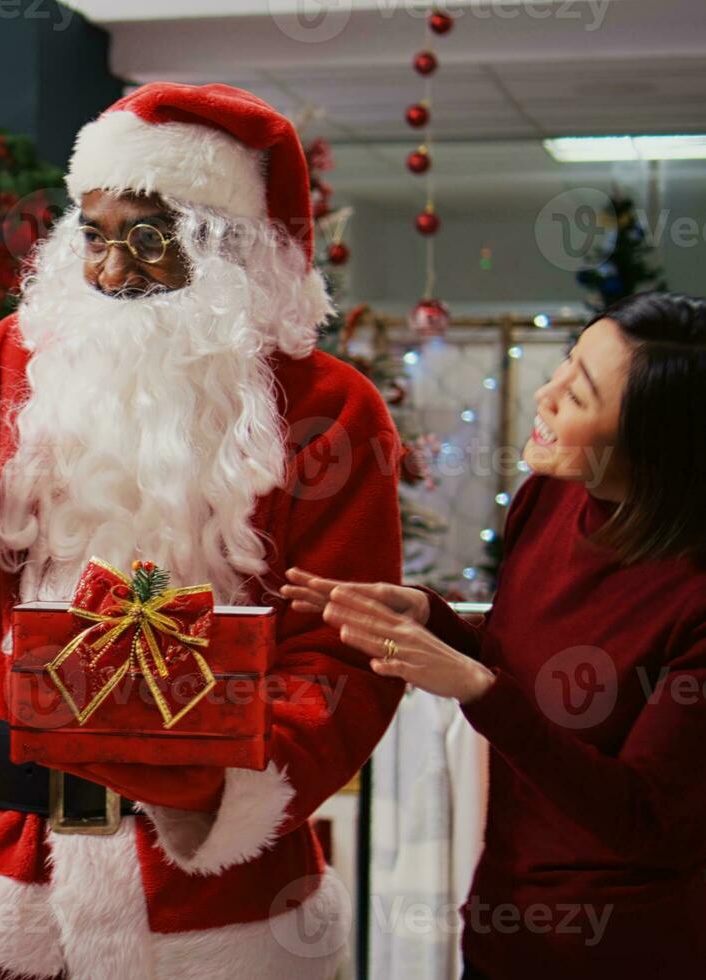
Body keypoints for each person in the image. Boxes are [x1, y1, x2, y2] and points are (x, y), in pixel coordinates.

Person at [0, 82, 405, 978]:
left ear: (226, 249)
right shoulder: (4, 362)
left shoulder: (328, 412)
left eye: (151, 239)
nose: (115, 273)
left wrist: (223, 782)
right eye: (95, 235)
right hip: (5, 880)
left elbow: (347, 652)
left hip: (222, 897)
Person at [283, 292, 706, 979]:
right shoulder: (553, 496)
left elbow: (649, 822)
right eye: (565, 366)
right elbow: (538, 674)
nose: (544, 395)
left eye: (578, 394)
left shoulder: (691, 594)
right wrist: (427, 616)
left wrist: (478, 690)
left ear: (653, 441)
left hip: (625, 949)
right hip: (502, 925)